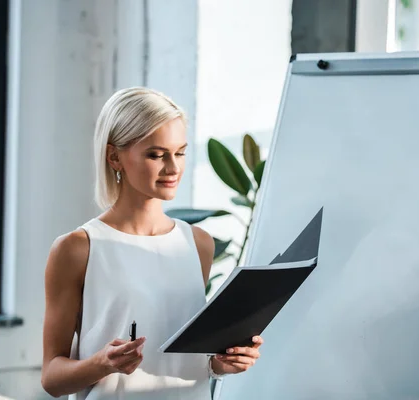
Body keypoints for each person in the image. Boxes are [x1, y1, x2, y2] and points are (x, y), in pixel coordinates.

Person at [41, 87, 263, 400]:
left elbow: (180, 359)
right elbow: (51, 378)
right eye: (156, 155)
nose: (173, 168)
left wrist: (221, 363)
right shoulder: (79, 248)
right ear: (115, 156)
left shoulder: (198, 244)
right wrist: (102, 364)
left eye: (181, 152)